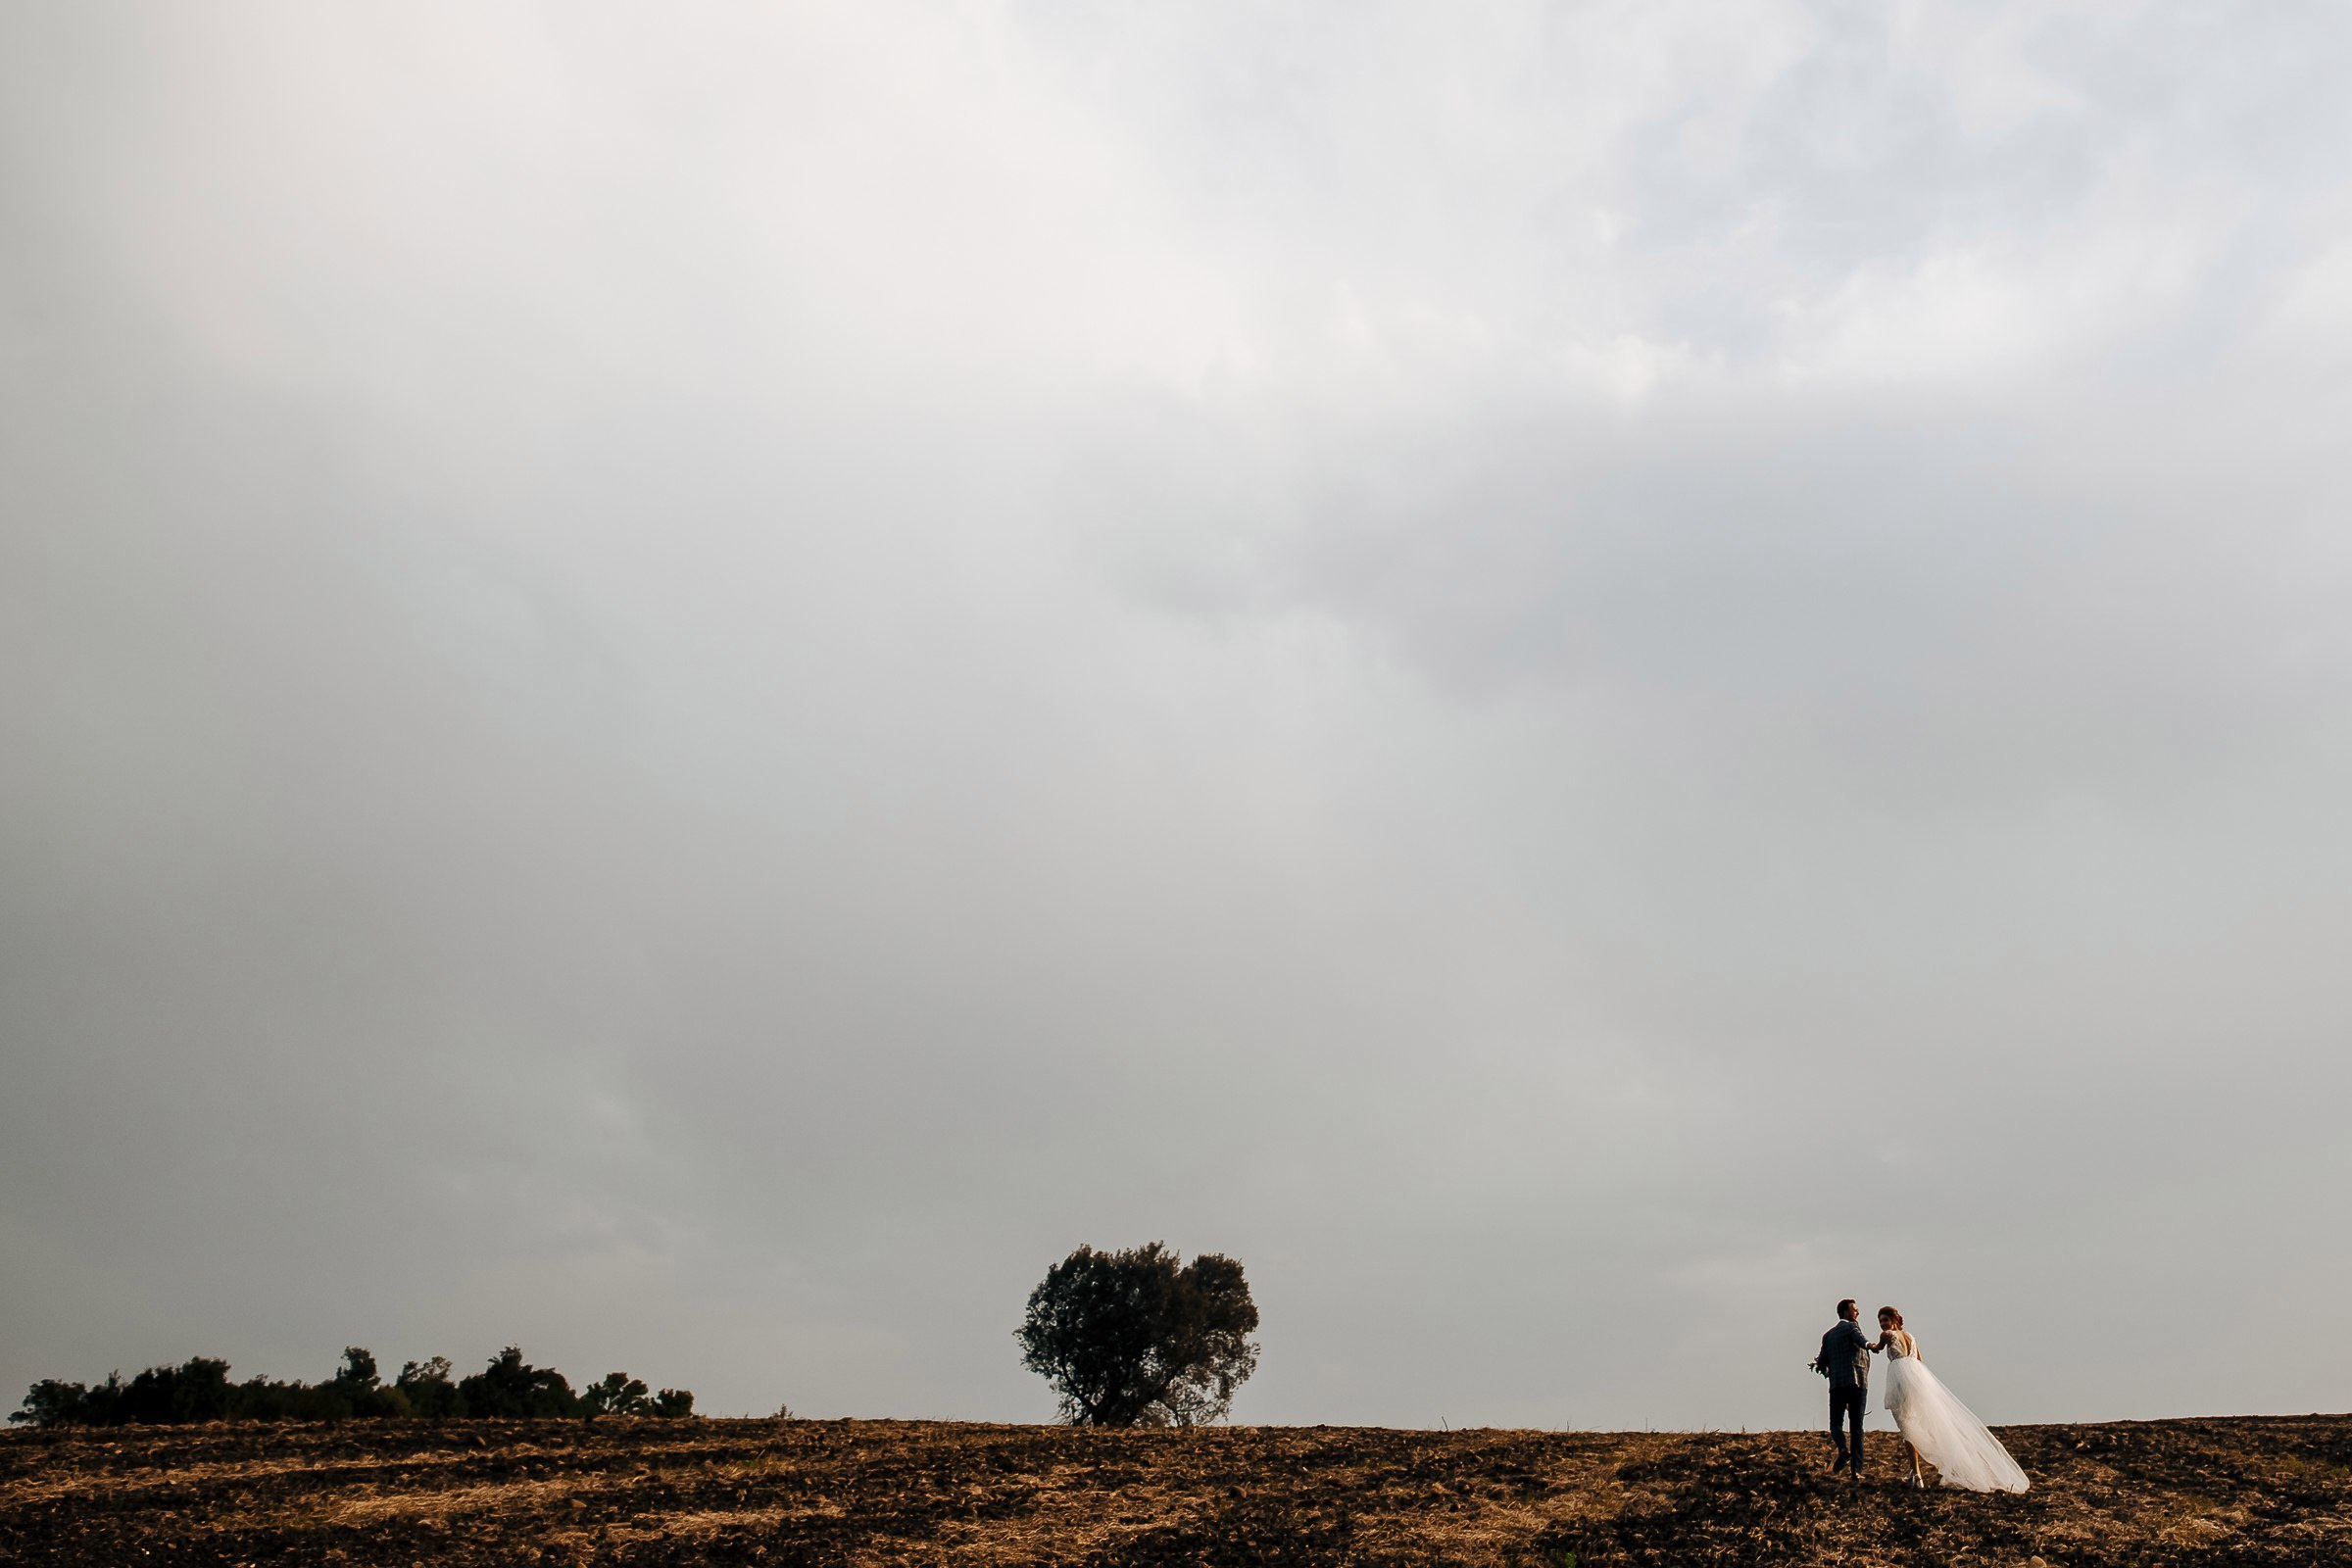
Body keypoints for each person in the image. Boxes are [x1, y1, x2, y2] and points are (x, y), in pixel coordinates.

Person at [1867, 1305, 2030, 1493]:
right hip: (1918, 1378)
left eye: (1885, 1320)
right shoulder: (1911, 1337)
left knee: (1907, 1427)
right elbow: (1919, 1360)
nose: (1882, 1324)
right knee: (1916, 1426)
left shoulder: (1887, 1335)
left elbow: (1877, 1348)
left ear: (1894, 1320)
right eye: (1880, 1321)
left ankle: (1917, 1474)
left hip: (1901, 1379)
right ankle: (1914, 1470)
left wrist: (1868, 1345)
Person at [1810, 1298, 1872, 1478]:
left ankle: (1843, 1448)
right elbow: (1862, 1342)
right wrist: (1872, 1346)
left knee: (1836, 1424)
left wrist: (1830, 1372)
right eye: (1854, 1310)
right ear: (1845, 1312)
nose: (1857, 1312)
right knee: (1857, 1427)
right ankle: (1856, 1471)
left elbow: (1821, 1363)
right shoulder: (1852, 1328)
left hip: (1836, 1385)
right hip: (1857, 1384)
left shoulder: (1828, 1335)